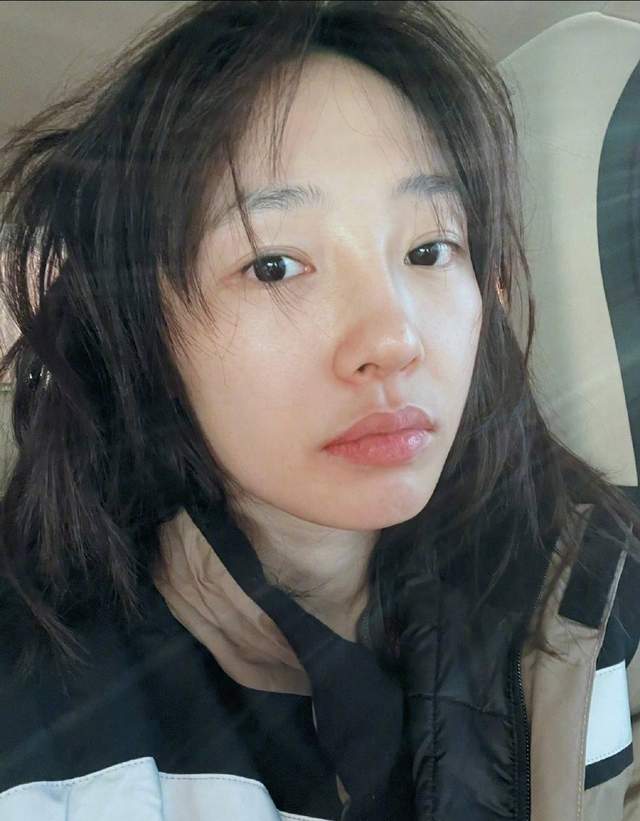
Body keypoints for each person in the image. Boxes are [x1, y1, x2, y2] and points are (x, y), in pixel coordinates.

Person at [0, 2, 638, 820]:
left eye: (429, 250)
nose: (394, 340)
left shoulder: (606, 581)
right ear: (144, 333)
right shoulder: (40, 716)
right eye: (273, 265)